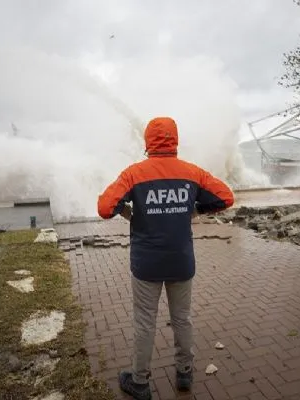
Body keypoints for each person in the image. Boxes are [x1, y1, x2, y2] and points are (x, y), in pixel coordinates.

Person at [97, 117, 234, 400]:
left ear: (147, 142)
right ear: (175, 141)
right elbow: (225, 197)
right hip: (181, 262)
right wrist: (192, 210)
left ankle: (139, 382)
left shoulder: (134, 174)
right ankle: (184, 374)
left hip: (146, 264)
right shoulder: (191, 173)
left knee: (145, 323)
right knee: (182, 319)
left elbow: (105, 207)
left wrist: (129, 213)